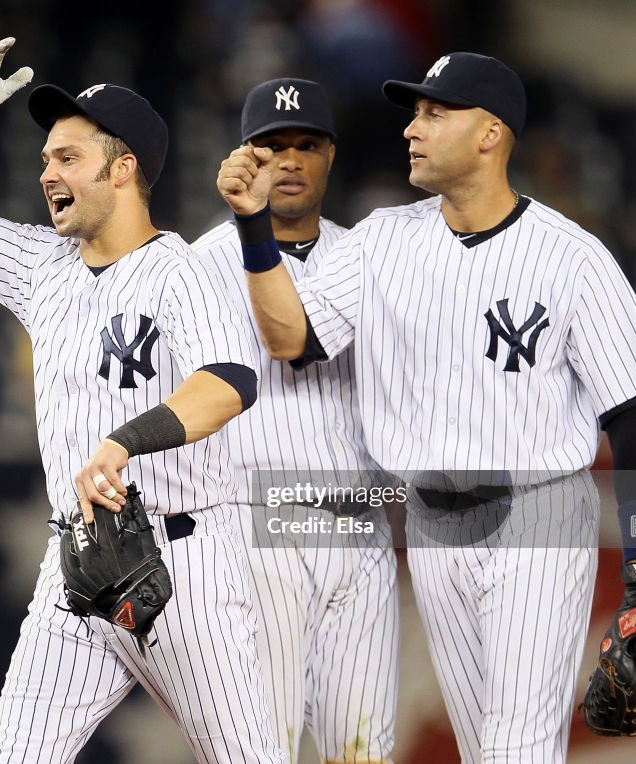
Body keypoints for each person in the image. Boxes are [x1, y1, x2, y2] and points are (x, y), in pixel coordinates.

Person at [216, 51, 636, 762]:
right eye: (414, 113)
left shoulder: (571, 256)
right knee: (485, 747)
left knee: (517, 748)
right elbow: (289, 339)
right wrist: (251, 228)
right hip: (432, 519)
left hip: (539, 516)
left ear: (489, 134)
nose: (411, 130)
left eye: (434, 113)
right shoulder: (382, 240)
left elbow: (632, 425)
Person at [0, 38, 284, 763]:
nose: (47, 171)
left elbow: (230, 383)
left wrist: (125, 440)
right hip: (74, 566)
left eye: (68, 158)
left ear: (123, 170)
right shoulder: (42, 264)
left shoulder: (181, 271)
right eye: (47, 157)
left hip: (183, 563)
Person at [192, 78, 397, 763]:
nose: (288, 159)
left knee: (363, 750)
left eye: (305, 143)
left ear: (329, 155)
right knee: (258, 748)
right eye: (271, 145)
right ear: (243, 156)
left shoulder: (368, 253)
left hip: (356, 523)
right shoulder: (200, 263)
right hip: (251, 528)